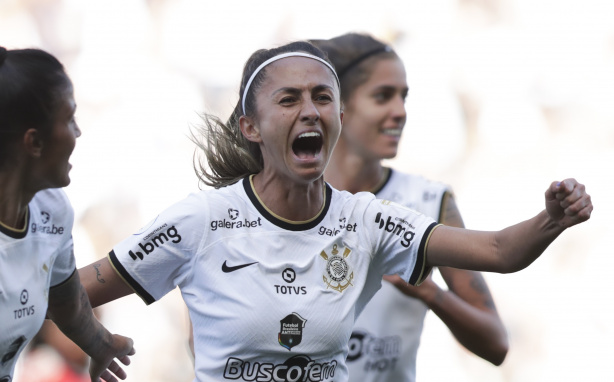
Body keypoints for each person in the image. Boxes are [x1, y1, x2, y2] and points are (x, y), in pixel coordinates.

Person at [78, 40, 592, 382]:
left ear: (339, 117)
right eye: (288, 99)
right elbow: (70, 289)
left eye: (322, 98)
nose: (309, 110)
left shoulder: (367, 220)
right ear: (250, 128)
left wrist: (552, 217)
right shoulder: (201, 221)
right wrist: (94, 339)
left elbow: (500, 250)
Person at [310, 33, 508, 381]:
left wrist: (427, 290)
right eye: (382, 96)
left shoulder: (428, 202)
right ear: (337, 104)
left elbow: (495, 344)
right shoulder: (282, 199)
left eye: (403, 97)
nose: (399, 112)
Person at [0, 46, 135, 382]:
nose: (78, 132)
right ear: (34, 142)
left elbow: (67, 302)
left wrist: (101, 344)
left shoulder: (52, 209)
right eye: (69, 118)